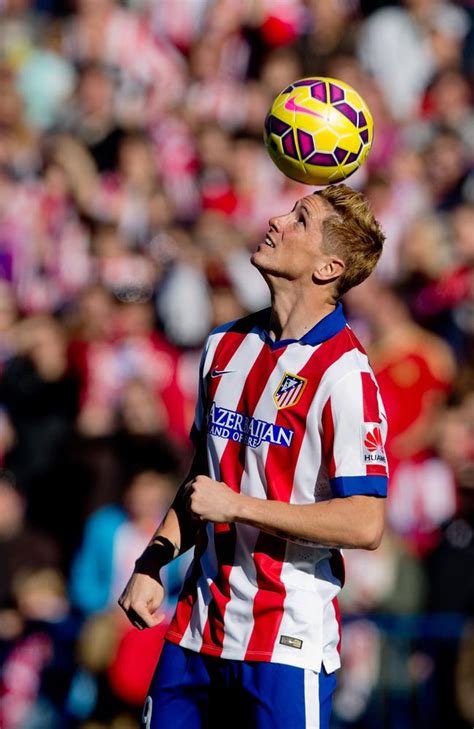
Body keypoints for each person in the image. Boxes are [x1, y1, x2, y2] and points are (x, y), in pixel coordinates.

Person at [119, 183, 388, 729]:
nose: (277, 220)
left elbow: (365, 521)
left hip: (285, 642)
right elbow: (203, 482)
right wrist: (153, 561)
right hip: (195, 629)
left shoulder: (346, 376)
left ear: (329, 267)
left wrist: (239, 506)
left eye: (300, 220)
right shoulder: (222, 346)